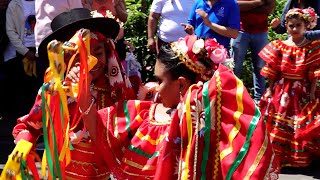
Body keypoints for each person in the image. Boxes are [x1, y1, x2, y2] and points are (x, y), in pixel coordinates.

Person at [75, 35, 278, 179]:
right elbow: (99, 130)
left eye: (159, 79)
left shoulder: (207, 128)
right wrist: (83, 94)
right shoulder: (147, 113)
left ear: (180, 84)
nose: (154, 86)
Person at [12, 8, 135, 179]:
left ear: (108, 52)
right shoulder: (54, 91)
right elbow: (29, 127)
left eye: (97, 53)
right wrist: (21, 150)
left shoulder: (116, 92)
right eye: (78, 56)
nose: (89, 62)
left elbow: (128, 135)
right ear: (64, 58)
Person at [258, 8, 320, 169]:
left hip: (301, 90)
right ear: (286, 27)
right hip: (281, 89)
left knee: (298, 122)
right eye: (291, 25)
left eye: (298, 25)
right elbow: (273, 70)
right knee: (279, 122)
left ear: (306, 26)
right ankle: (278, 157)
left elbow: (314, 72)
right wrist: (270, 89)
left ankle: (296, 157)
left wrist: (312, 92)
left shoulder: (311, 47)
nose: (294, 29)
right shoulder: (279, 46)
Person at [231, 0, 275, 104]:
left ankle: (259, 101)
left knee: (260, 68)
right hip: (240, 30)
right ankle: (232, 97)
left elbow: (269, 9)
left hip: (261, 32)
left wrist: (247, 6)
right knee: (235, 67)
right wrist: (260, 2)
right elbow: (235, 5)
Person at [5, 0, 39, 117]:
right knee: (23, 89)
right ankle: (25, 125)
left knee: (40, 89)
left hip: (41, 49)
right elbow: (10, 31)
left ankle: (40, 123)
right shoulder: (14, 5)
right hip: (22, 51)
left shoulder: (43, 2)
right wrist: (25, 51)